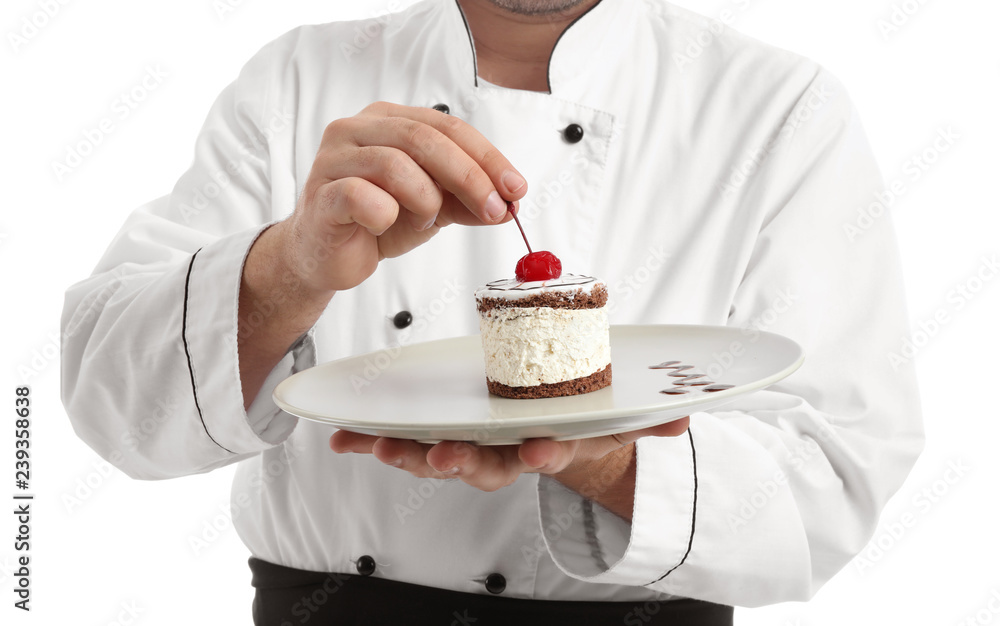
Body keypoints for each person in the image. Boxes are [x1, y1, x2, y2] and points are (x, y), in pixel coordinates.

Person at [61, 0, 924, 623]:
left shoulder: (777, 107)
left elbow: (837, 473)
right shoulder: (297, 78)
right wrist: (290, 265)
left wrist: (598, 459)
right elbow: (113, 404)